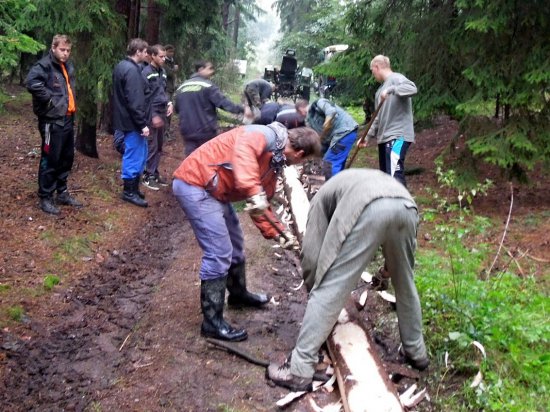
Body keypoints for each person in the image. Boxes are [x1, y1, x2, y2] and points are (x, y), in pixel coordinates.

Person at [267, 168, 429, 391]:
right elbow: (397, 264)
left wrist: (318, 294)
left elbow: (312, 259)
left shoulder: (320, 200)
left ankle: (300, 368)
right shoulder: (353, 181)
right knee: (406, 286)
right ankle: (417, 353)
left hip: (368, 207)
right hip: (406, 206)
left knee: (329, 287)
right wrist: (385, 274)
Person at [172, 122, 321, 342]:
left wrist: (279, 233)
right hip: (197, 183)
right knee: (219, 252)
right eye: (303, 161)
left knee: (236, 243)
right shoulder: (264, 135)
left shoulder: (275, 160)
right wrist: (255, 193)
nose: (299, 165)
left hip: (215, 190)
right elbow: (244, 157)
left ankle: (238, 295)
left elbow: (259, 203)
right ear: (299, 154)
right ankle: (212, 323)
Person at [26, 34, 83, 215]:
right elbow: (32, 83)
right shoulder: (44, 65)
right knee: (50, 158)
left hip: (67, 118)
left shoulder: (67, 66)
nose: (65, 53)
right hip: (52, 120)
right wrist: (50, 101)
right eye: (62, 50)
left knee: (66, 157)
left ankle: (62, 192)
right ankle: (46, 196)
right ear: (53, 48)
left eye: (68, 50)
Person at [360, 55, 417, 187]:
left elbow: (412, 88)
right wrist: (366, 137)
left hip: (399, 137)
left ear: (377, 67)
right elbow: (377, 117)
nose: (373, 74)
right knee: (386, 178)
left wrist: (392, 90)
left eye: (372, 71)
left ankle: (402, 206)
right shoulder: (380, 91)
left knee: (394, 175)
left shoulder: (396, 78)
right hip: (384, 138)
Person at [112, 38, 151, 207]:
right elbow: (135, 100)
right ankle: (128, 191)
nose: (147, 54)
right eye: (145, 51)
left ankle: (134, 188)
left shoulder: (122, 66)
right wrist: (142, 123)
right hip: (132, 121)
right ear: (138, 52)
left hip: (125, 118)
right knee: (133, 155)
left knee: (139, 153)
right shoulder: (132, 71)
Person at [175, 60, 245, 155]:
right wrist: (242, 109)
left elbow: (177, 109)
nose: (212, 71)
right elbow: (224, 103)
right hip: (205, 130)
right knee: (207, 159)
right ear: (200, 69)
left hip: (187, 130)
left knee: (190, 160)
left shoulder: (182, 87)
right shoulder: (208, 85)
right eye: (210, 68)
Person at [296, 98, 358, 180]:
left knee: (329, 162)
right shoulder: (310, 120)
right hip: (342, 134)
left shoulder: (318, 103)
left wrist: (328, 121)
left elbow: (331, 111)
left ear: (300, 109)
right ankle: (339, 187)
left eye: (300, 113)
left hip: (345, 131)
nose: (301, 115)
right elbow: (318, 138)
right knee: (336, 162)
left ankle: (331, 189)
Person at [141, 44, 173, 190]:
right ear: (152, 56)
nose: (163, 59)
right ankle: (147, 175)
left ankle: (154, 173)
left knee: (159, 144)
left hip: (162, 111)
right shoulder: (146, 72)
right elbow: (144, 96)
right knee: (152, 145)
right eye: (160, 56)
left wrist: (169, 103)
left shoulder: (163, 72)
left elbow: (163, 91)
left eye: (164, 56)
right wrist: (152, 115)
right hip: (151, 112)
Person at [163, 44, 178, 141]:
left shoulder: (171, 62)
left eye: (172, 52)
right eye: (169, 51)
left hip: (171, 89)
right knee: (166, 111)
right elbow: (168, 73)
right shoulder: (164, 62)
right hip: (166, 89)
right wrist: (174, 70)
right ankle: (164, 133)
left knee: (169, 112)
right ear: (165, 51)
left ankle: (167, 131)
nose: (171, 54)